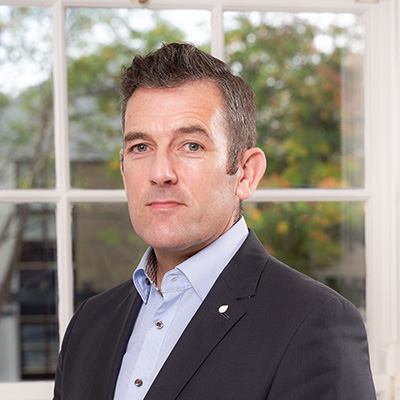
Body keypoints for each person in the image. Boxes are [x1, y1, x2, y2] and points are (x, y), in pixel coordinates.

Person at [53, 43, 376, 400]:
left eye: (191, 145)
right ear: (123, 169)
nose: (160, 173)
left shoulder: (313, 321)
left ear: (245, 173)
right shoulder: (89, 324)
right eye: (140, 147)